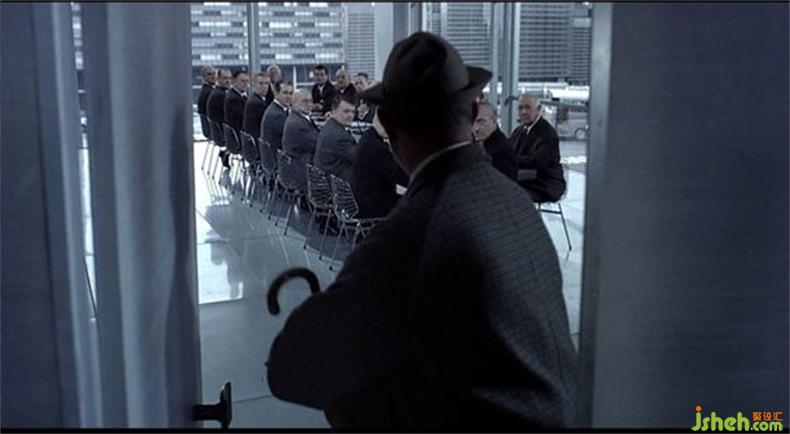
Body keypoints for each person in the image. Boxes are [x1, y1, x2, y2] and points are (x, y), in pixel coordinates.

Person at [267, 32, 577, 430]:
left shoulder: (417, 228)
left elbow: (292, 370)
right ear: (474, 111)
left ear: (389, 125)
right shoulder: (513, 198)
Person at [508, 93, 566, 203]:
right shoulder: (519, 130)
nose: (524, 112)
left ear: (539, 109)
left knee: (507, 194)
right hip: (525, 179)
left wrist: (511, 158)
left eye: (528, 107)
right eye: (520, 108)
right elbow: (508, 150)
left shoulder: (548, 133)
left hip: (544, 183)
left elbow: (537, 162)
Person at [351, 109, 409, 218]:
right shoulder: (376, 147)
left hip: (364, 199)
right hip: (373, 206)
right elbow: (399, 175)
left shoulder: (368, 137)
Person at [313, 94, 357, 182]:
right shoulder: (340, 136)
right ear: (334, 112)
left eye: (353, 112)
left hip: (327, 178)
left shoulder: (330, 126)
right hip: (337, 183)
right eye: (346, 111)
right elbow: (359, 158)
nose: (350, 115)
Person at [282, 89, 319, 192]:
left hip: (298, 165)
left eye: (310, 101)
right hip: (300, 171)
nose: (309, 104)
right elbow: (318, 144)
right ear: (294, 103)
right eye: (305, 101)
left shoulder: (298, 117)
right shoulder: (298, 124)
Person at [473, 101, 517, 180]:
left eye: (481, 122)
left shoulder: (502, 151)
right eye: (473, 122)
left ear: (494, 121)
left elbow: (506, 184)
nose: (476, 128)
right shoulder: (482, 144)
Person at [207, 68, 231, 167]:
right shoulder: (221, 96)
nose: (228, 81)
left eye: (229, 78)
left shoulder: (217, 92)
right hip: (223, 134)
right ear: (218, 79)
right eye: (225, 78)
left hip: (218, 133)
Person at [260, 80, 293, 151]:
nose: (289, 97)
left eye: (291, 93)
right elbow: (291, 136)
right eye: (285, 93)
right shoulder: (278, 115)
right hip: (277, 154)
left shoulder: (274, 108)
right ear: (276, 93)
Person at [243, 72, 272, 137]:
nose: (264, 86)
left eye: (267, 83)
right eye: (261, 83)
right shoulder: (258, 103)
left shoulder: (253, 98)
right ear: (254, 84)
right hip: (257, 138)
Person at [197, 65, 215, 140]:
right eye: (209, 74)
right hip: (213, 131)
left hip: (209, 130)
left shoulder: (204, 91)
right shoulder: (210, 93)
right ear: (204, 77)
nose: (213, 76)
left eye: (214, 73)